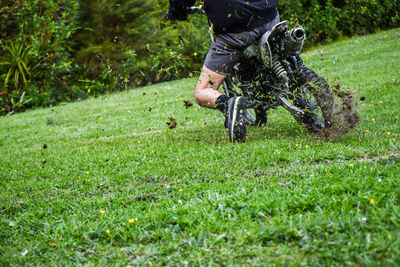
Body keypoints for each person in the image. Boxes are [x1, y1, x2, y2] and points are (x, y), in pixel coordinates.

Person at [168, 0, 280, 142]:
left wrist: (176, 12)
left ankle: (228, 104)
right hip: (270, 15)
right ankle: (295, 69)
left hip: (236, 28)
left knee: (201, 91)